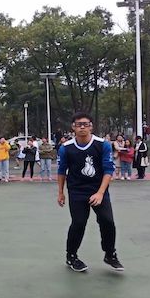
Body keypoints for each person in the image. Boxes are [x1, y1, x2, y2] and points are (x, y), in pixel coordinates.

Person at [57, 112, 124, 273]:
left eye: (85, 124)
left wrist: (100, 193)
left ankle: (110, 254)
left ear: (91, 126)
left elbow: (108, 170)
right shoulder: (66, 148)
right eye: (78, 124)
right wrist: (60, 193)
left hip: (98, 190)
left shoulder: (102, 145)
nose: (82, 127)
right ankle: (71, 256)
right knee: (78, 223)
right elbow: (61, 171)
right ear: (73, 127)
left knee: (107, 221)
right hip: (77, 191)